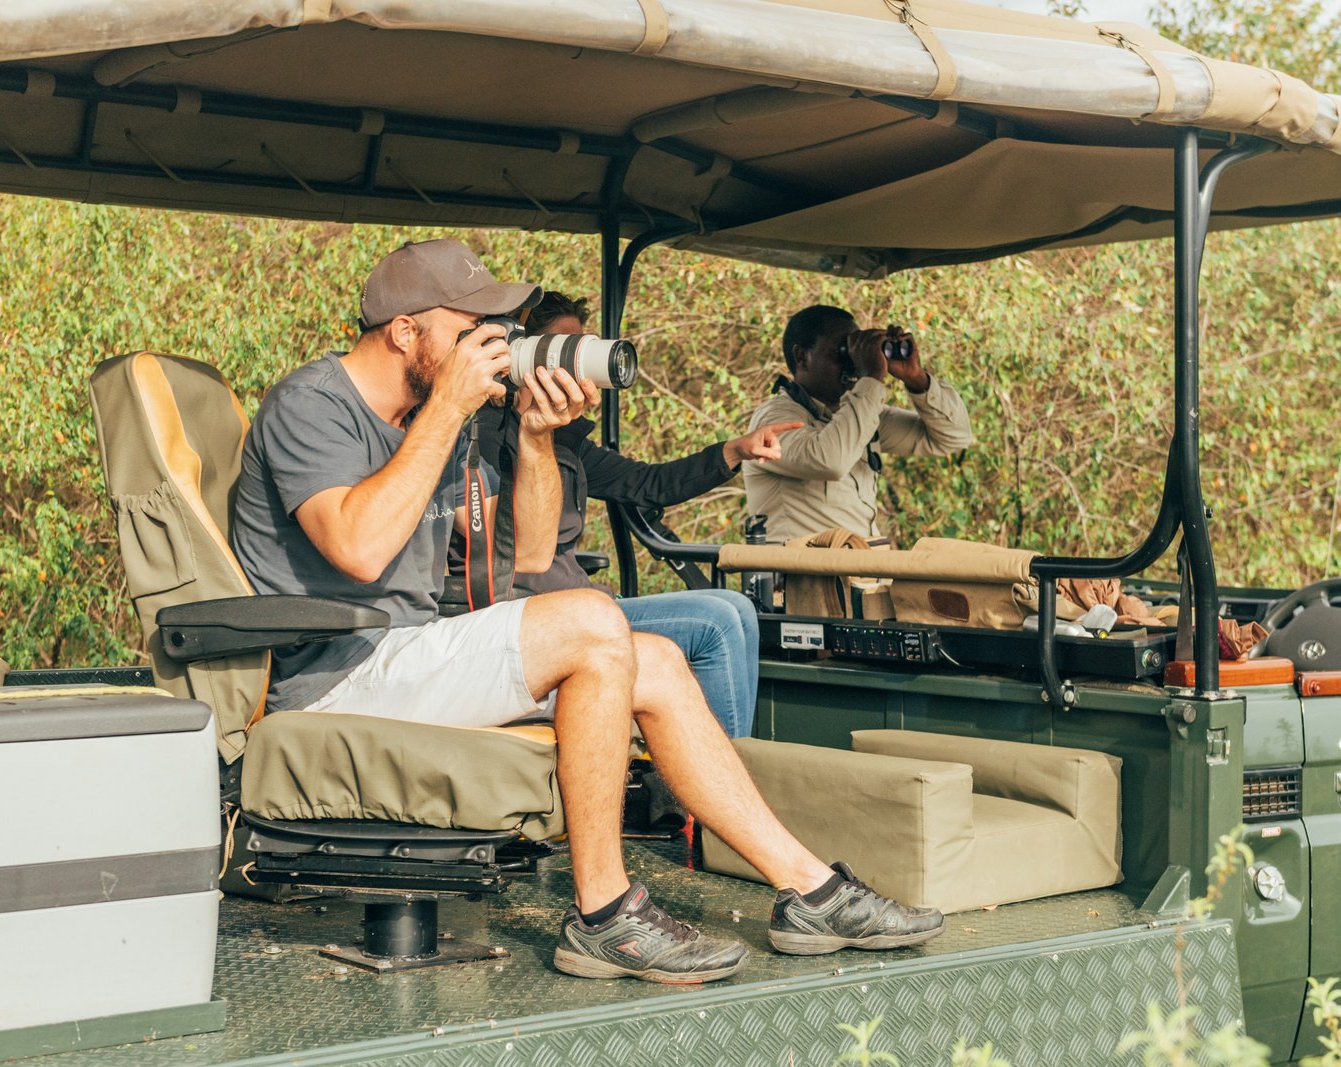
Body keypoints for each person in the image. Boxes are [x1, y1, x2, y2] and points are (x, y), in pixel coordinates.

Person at [230, 241, 944, 984]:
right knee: (597, 620)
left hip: (409, 655)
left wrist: (536, 436)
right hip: (333, 679)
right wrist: (445, 409)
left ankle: (809, 889)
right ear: (405, 331)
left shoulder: (443, 422)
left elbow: (533, 554)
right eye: (470, 325)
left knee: (658, 660)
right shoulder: (311, 401)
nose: (491, 341)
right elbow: (358, 548)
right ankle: (603, 914)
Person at [472, 291, 800, 738]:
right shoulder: (481, 441)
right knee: (716, 621)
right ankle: (717, 791)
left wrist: (734, 451)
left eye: (580, 347)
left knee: (735, 606)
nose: (573, 361)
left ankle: (727, 771)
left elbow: (649, 484)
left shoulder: (568, 445)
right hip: (535, 616)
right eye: (560, 349)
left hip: (583, 601)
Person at [744, 305, 974, 544]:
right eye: (843, 353)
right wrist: (872, 376)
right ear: (802, 356)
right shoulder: (772, 420)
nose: (852, 364)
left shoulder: (857, 416)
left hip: (862, 575)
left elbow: (955, 437)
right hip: (804, 578)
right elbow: (830, 461)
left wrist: (915, 377)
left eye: (857, 354)